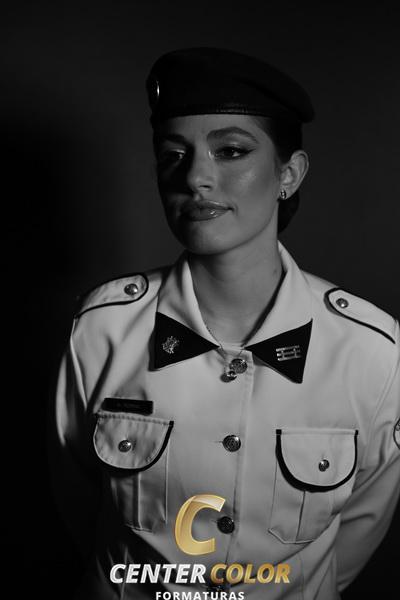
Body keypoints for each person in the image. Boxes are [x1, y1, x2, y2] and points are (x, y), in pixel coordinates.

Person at [51, 48, 400, 600]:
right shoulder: (102, 330)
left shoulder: (372, 351)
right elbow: (78, 503)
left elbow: (357, 529)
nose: (195, 177)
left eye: (231, 151)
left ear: (289, 174)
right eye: (173, 155)